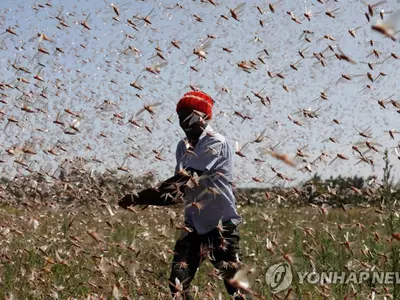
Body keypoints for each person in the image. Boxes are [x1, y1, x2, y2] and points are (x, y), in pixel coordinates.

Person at [118, 90, 245, 299]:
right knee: (177, 282)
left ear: (203, 116)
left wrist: (140, 197)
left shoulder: (215, 142)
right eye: (179, 116)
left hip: (221, 227)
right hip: (193, 226)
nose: (183, 121)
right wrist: (145, 199)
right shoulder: (182, 146)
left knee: (235, 288)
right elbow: (178, 193)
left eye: (188, 115)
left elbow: (185, 181)